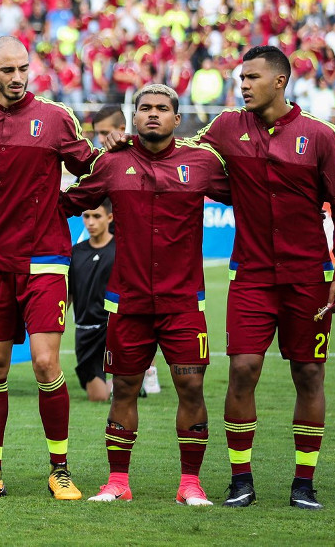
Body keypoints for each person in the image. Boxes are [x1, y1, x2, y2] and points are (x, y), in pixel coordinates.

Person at [188, 46, 335, 510]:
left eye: (252, 77)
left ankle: (304, 482)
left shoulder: (321, 136)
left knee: (308, 373)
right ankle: (240, 479)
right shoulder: (225, 127)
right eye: (240, 77)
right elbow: (185, 159)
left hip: (309, 279)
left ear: (279, 81)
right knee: (242, 370)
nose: (242, 84)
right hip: (252, 276)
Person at [0, 36, 97, 500]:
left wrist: (65, 204)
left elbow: (93, 168)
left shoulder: (54, 118)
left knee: (46, 363)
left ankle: (60, 469)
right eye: (6, 70)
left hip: (45, 256)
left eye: (23, 68)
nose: (16, 77)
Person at [61, 84, 231, 506]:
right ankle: (117, 481)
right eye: (144, 108)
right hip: (128, 302)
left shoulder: (202, 163)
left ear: (177, 119)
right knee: (125, 388)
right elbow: (66, 202)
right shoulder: (112, 162)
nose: (153, 114)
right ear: (132, 119)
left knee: (191, 386)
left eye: (162, 108)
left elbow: (255, 196)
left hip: (183, 304)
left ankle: (190, 483)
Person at [90, 105, 161, 397]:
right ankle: (115, 370)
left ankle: (149, 369)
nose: (101, 139)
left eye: (107, 133)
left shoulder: (142, 155)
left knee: (145, 309)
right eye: (98, 134)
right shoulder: (101, 160)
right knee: (109, 309)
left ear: (123, 130)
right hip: (108, 242)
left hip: (138, 246)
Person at [69, 201, 115, 403]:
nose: (90, 222)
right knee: (98, 397)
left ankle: (132, 380)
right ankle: (115, 385)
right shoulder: (75, 252)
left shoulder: (121, 250)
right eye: (86, 216)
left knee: (127, 386)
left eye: (97, 216)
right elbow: (68, 293)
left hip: (114, 328)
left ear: (110, 218)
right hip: (86, 331)